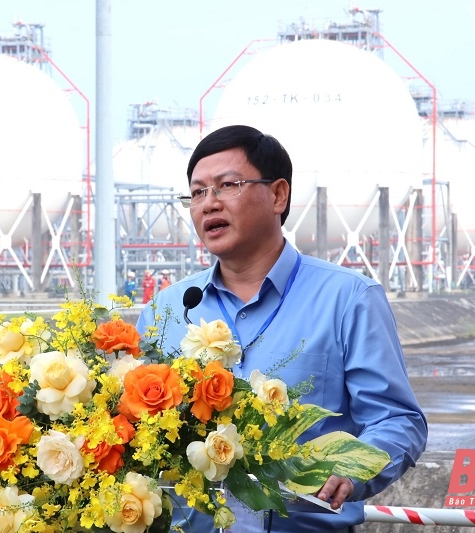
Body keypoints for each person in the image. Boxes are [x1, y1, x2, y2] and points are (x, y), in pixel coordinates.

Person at [136, 125, 427, 532]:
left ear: (278, 195)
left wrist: (352, 469)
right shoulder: (167, 309)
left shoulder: (348, 298)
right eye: (197, 192)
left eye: (226, 185)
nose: (208, 204)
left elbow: (397, 419)